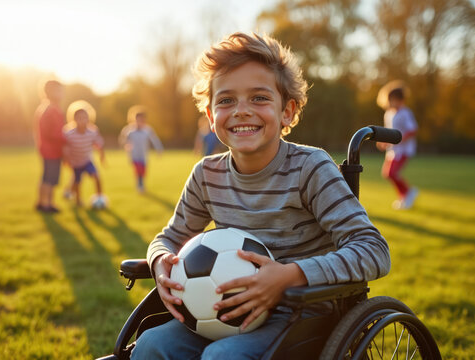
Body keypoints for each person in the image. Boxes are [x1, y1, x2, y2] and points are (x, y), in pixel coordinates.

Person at [131, 32, 391, 360]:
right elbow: (168, 238)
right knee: (152, 345)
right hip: (222, 312)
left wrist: (289, 275)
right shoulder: (206, 175)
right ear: (211, 117)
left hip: (303, 313)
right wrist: (160, 263)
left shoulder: (309, 168)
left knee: (222, 357)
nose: (241, 111)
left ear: (287, 111)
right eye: (226, 100)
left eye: (259, 98)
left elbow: (374, 250)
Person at [376, 80, 419, 210]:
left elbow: (412, 130)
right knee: (387, 173)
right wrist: (384, 141)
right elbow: (388, 131)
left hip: (404, 150)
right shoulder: (388, 114)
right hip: (393, 150)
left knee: (392, 173)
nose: (390, 103)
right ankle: (404, 196)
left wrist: (399, 139)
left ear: (400, 99)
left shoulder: (405, 113)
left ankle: (409, 192)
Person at [62, 100, 106, 207]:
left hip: (87, 160)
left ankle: (99, 197)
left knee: (96, 176)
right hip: (75, 163)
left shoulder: (92, 131)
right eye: (79, 118)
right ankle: (77, 200)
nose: (82, 120)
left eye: (84, 118)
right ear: (74, 119)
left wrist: (102, 156)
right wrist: (66, 160)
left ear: (89, 118)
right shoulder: (69, 133)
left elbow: (99, 144)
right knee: (77, 182)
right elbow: (65, 148)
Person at [34, 80, 65, 213]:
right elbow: (54, 132)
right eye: (58, 90)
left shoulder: (47, 107)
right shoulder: (51, 109)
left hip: (50, 149)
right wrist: (66, 139)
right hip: (51, 149)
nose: (61, 93)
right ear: (49, 92)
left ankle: (47, 202)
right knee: (49, 177)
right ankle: (45, 204)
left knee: (49, 177)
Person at [118, 105, 163, 193]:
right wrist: (126, 145)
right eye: (138, 119)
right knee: (138, 169)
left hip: (144, 155)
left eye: (142, 119)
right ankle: (140, 185)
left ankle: (141, 184)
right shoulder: (129, 130)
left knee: (143, 171)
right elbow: (122, 139)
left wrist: (159, 149)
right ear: (134, 119)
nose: (140, 121)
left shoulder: (148, 130)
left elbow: (155, 139)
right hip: (134, 155)